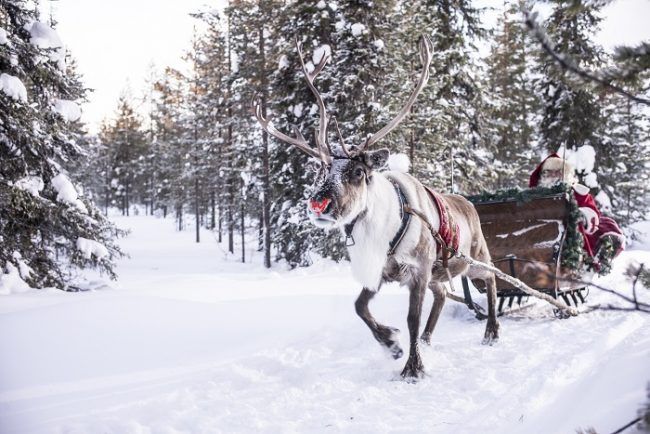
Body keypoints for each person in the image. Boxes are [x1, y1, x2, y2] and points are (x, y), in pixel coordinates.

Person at [529, 153, 625, 271]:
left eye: (558, 172)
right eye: (549, 172)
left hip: (569, 240)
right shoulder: (532, 197)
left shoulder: (578, 193)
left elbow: (591, 212)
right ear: (542, 175)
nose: (553, 175)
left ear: (565, 174)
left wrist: (580, 215)